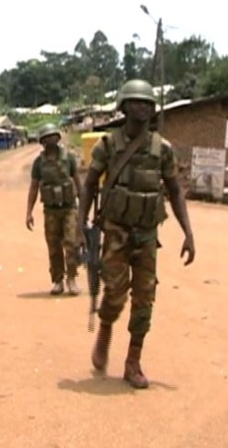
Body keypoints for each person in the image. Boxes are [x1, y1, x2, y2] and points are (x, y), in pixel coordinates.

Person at [78, 79, 195, 389]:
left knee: (144, 299)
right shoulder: (107, 145)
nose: (143, 107)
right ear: (124, 106)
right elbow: (90, 184)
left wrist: (188, 233)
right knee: (114, 293)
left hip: (146, 235)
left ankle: (133, 362)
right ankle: (105, 329)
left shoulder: (162, 149)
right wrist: (81, 224)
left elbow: (174, 191)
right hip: (115, 231)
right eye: (137, 102)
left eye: (148, 103)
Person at [26, 123, 82, 296]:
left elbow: (78, 182)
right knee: (54, 247)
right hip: (50, 211)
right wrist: (28, 212)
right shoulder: (38, 163)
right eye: (47, 137)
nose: (51, 139)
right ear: (42, 141)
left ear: (58, 137)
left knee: (72, 244)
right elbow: (34, 187)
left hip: (69, 208)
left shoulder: (69, 158)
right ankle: (58, 280)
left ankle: (71, 278)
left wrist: (85, 207)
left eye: (53, 136)